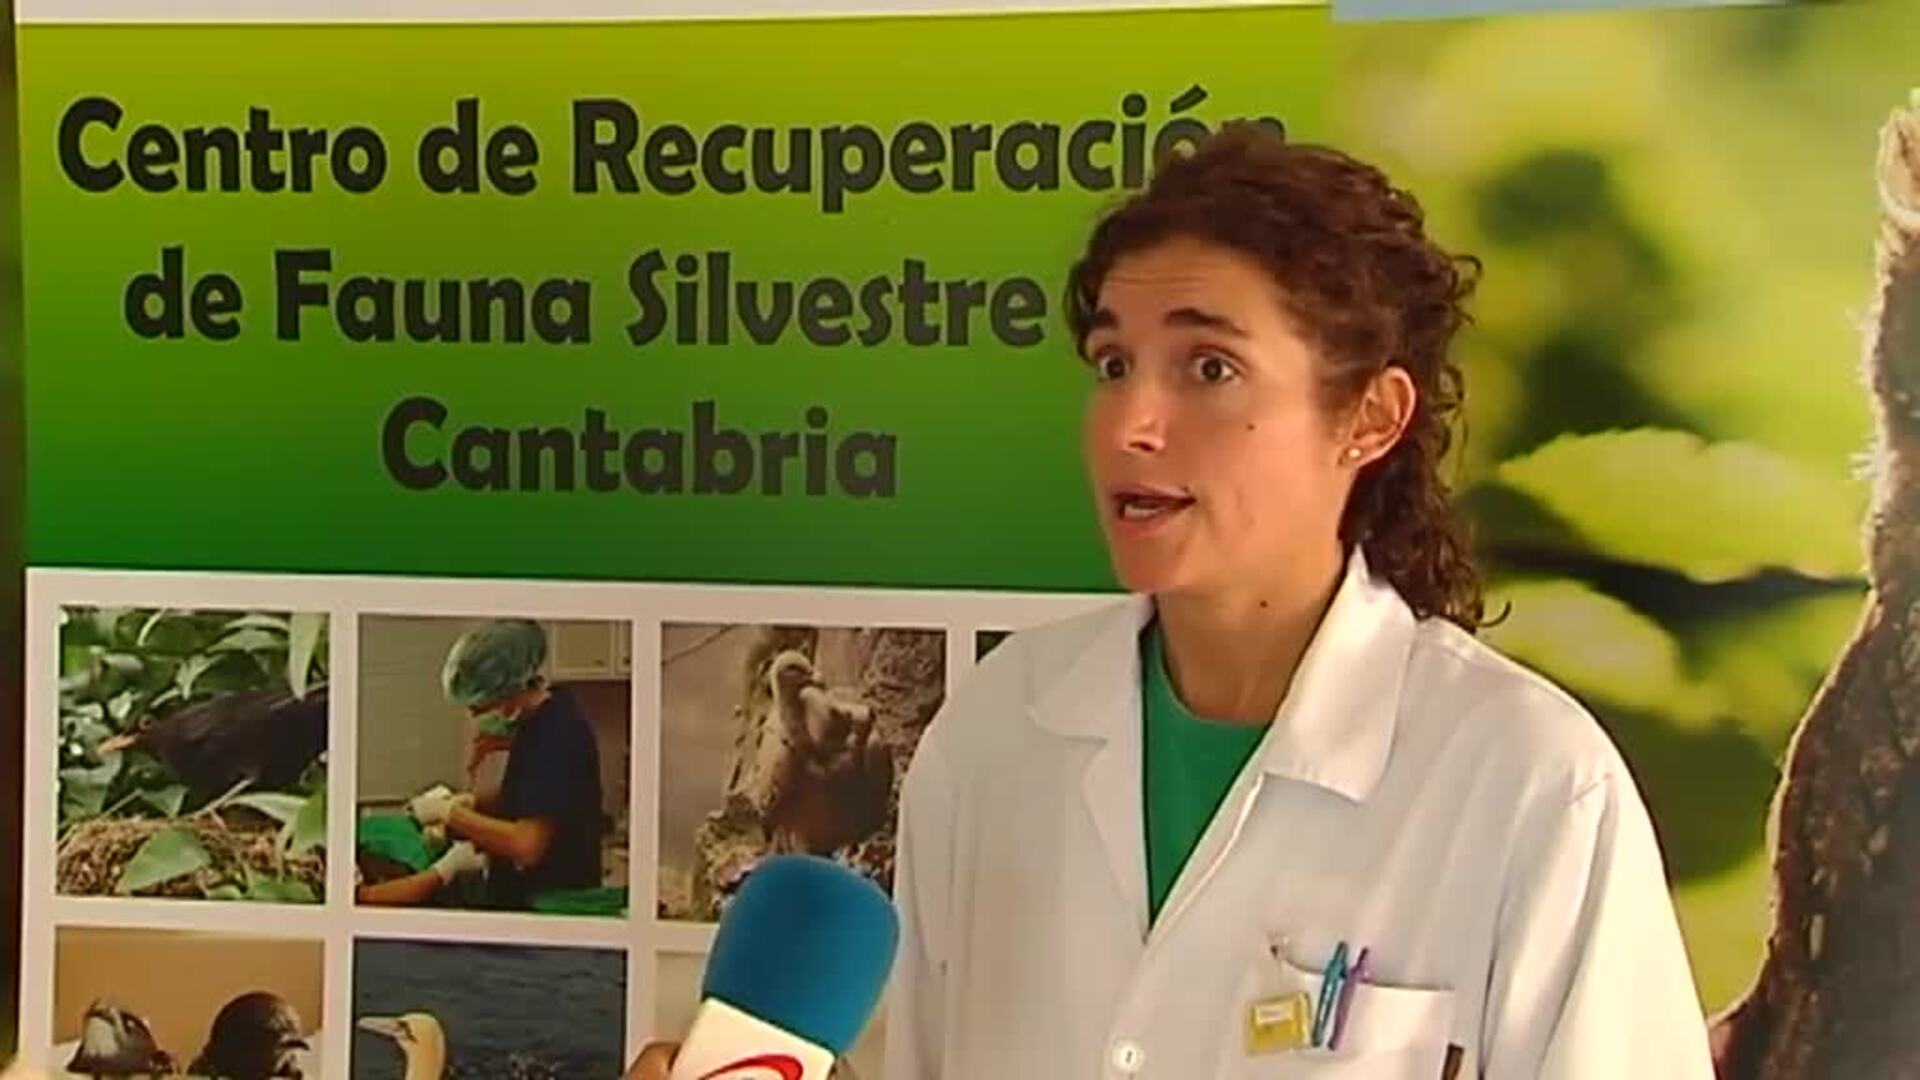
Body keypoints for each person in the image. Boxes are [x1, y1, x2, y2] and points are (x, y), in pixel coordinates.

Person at [630, 126, 1713, 1079]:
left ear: (1370, 418)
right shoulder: (997, 733)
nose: (1131, 424)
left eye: (1209, 368)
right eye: (1113, 363)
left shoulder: (1530, 785)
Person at [404, 618, 605, 910]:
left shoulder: (557, 734)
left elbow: (527, 845)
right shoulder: (536, 725)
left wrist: (449, 814)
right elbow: (535, 800)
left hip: (552, 906)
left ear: (510, 690)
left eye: (480, 707)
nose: (475, 717)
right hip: (527, 897)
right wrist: (473, 803)